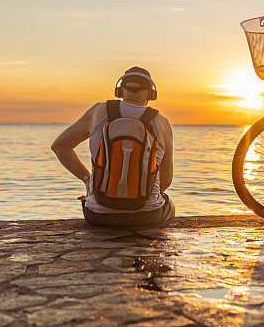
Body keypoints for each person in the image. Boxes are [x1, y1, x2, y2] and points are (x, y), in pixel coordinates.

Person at [51, 66, 174, 228]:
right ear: (151, 94)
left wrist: (87, 180)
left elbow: (60, 147)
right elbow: (166, 179)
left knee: (94, 202)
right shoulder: (161, 122)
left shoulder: (97, 112)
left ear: (120, 91)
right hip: (147, 215)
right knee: (169, 206)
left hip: (98, 215)